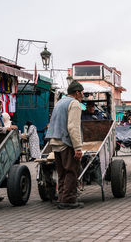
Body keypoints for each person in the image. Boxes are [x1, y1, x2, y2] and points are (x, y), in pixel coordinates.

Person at [45, 80, 84, 210]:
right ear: (77, 92)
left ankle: (61, 198)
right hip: (66, 142)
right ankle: (68, 200)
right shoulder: (74, 104)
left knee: (62, 172)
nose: (83, 95)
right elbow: (73, 127)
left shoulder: (60, 102)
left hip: (55, 141)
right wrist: (77, 147)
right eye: (82, 93)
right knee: (72, 171)